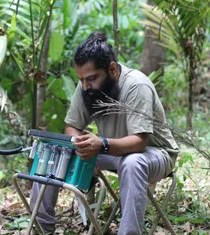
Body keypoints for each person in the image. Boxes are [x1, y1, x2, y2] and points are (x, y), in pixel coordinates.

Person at [30, 32, 179, 235]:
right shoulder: (86, 85)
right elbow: (72, 126)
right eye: (81, 79)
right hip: (110, 150)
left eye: (91, 78)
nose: (85, 85)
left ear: (112, 69)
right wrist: (81, 146)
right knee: (54, 149)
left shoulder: (137, 85)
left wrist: (100, 145)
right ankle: (40, 227)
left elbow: (139, 142)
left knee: (133, 161)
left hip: (154, 153)